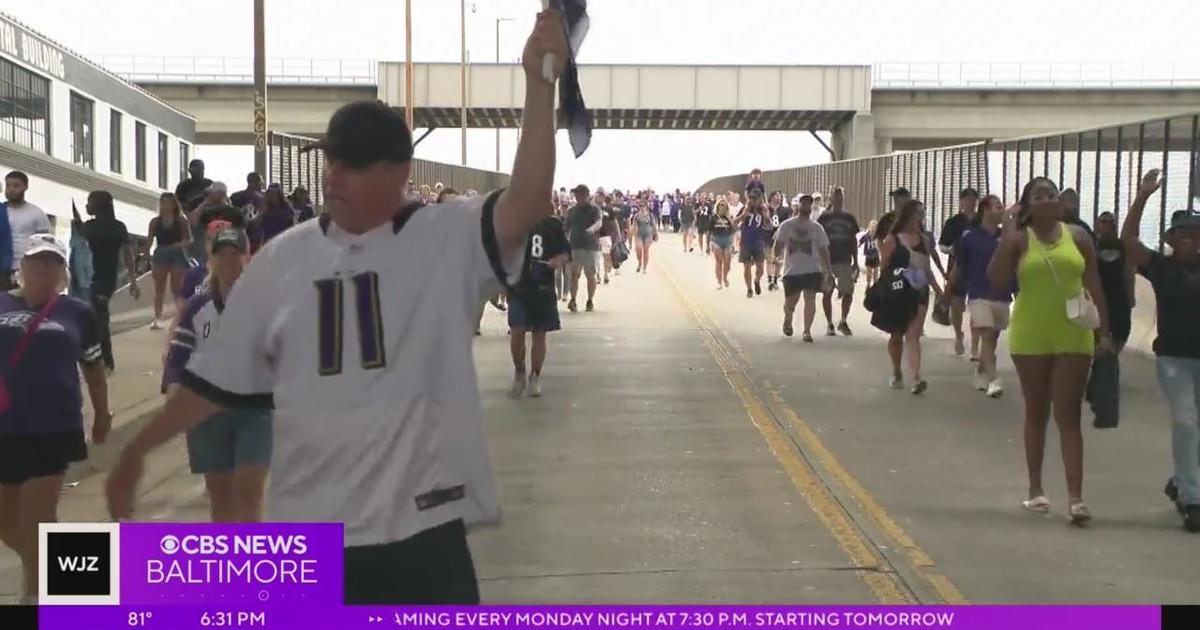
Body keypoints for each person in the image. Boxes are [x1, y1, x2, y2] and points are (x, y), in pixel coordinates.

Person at [106, 11, 569, 604]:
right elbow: (216, 378)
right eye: (332, 160)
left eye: (353, 164)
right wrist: (138, 449)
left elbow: (528, 197)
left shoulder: (447, 238)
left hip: (422, 534)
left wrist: (538, 84)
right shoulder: (281, 261)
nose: (334, 175)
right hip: (313, 534)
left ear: (398, 173)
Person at [988, 176, 1110, 526]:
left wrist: (1105, 333)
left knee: (1068, 414)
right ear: (1027, 205)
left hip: (1073, 332)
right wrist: (1008, 232)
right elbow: (996, 280)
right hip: (1031, 333)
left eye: (1052, 194)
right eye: (1039, 195)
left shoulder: (1079, 237)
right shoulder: (1019, 239)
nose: (1047, 199)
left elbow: (1094, 283)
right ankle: (1036, 489)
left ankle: (1076, 498)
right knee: (1036, 411)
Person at [0, 234, 111, 604]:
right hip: (5, 425)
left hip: (54, 426)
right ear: (23, 267)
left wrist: (102, 414)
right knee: (5, 519)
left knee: (37, 513)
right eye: (37, 262)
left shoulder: (77, 312)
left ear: (63, 272)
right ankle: (60, 576)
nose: (43, 269)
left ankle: (37, 593)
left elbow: (93, 368)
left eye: (52, 263)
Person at [162, 227, 271, 523]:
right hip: (206, 411)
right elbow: (179, 355)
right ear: (212, 259)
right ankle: (227, 561)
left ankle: (250, 561)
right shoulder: (199, 306)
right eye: (221, 254)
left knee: (249, 492)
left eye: (234, 254)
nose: (228, 261)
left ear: (245, 258)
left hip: (255, 410)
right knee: (219, 493)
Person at [1120, 170, 1200, 532]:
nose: (1192, 243)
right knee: (1185, 420)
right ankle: (1193, 497)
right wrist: (1142, 198)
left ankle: (1181, 480)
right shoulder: (1162, 268)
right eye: (1185, 236)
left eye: (1197, 236)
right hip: (1174, 359)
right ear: (1172, 240)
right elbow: (1128, 240)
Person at [879, 201, 944, 395]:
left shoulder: (924, 240)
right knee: (897, 337)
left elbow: (926, 268)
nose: (921, 217)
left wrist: (939, 290)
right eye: (918, 213)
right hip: (898, 292)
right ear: (908, 216)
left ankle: (916, 377)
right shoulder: (892, 240)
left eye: (923, 213)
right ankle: (897, 372)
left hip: (919, 291)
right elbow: (885, 269)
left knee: (913, 336)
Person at [951, 195, 1011, 398]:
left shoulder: (1007, 237)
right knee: (986, 335)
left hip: (1002, 294)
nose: (1002, 210)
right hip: (978, 294)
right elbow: (959, 266)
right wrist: (948, 292)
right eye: (998, 206)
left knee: (992, 339)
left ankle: (981, 371)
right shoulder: (969, 237)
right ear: (985, 210)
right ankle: (994, 380)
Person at [508, 211, 571, 398]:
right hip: (518, 286)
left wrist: (555, 262)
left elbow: (566, 253)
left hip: (542, 286)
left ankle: (535, 375)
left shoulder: (552, 224)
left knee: (539, 332)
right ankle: (519, 370)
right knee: (517, 331)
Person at [78, 191, 141, 372]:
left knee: (99, 320)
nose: (86, 206)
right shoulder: (118, 226)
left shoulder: (89, 227)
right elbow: (129, 255)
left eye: (89, 202)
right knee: (98, 319)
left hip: (94, 278)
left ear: (98, 205)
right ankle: (103, 360)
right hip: (107, 279)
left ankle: (105, 361)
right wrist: (133, 281)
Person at [774, 195, 831, 342]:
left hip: (812, 269)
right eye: (803, 202)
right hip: (791, 270)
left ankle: (807, 331)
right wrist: (776, 255)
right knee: (790, 302)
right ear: (798, 205)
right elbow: (778, 244)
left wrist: (828, 270)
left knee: (810, 300)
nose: (806, 205)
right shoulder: (787, 225)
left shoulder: (817, 228)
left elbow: (824, 249)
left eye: (809, 203)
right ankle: (788, 318)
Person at [940, 188, 982, 358]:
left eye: (973, 200)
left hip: (978, 268)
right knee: (956, 305)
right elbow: (942, 245)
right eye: (967, 200)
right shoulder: (953, 222)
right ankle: (958, 334)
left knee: (977, 306)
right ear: (961, 202)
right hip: (957, 268)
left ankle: (974, 345)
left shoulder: (982, 220)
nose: (970, 203)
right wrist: (955, 250)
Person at [144, 193, 193, 330]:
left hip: (177, 253)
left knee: (177, 288)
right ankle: (157, 318)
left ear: (174, 204)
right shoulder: (155, 222)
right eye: (163, 202)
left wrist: (180, 244)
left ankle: (182, 317)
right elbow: (149, 239)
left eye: (168, 203)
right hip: (161, 252)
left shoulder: (181, 221)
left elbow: (189, 239)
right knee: (159, 287)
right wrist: (146, 253)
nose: (165, 206)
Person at [817, 186, 860, 336]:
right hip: (827, 260)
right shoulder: (824, 217)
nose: (838, 199)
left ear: (843, 198)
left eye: (840, 196)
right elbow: (818, 239)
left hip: (844, 259)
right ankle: (829, 323)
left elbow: (853, 240)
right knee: (827, 291)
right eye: (835, 197)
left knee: (848, 291)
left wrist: (856, 261)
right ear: (831, 198)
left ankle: (843, 320)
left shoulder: (849, 218)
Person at [2, 172, 51, 291]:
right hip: (2, 268)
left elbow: (46, 242)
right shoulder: (1, 210)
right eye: (8, 186)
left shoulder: (36, 213)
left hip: (26, 268)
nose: (11, 189)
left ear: (25, 187)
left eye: (16, 186)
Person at [564, 184, 602, 312]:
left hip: (591, 247)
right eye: (576, 194)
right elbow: (566, 227)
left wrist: (592, 228)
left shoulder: (594, 209)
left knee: (590, 275)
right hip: (574, 245)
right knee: (574, 275)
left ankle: (590, 300)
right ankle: (573, 300)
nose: (577, 197)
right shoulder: (571, 210)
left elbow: (599, 222)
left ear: (586, 195)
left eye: (580, 194)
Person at [735, 189, 770, 298]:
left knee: (760, 267)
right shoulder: (745, 209)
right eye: (752, 198)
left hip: (758, 241)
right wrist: (743, 216)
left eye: (756, 198)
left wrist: (766, 215)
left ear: (760, 199)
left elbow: (769, 226)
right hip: (746, 241)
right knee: (747, 266)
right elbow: (734, 222)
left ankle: (757, 280)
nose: (754, 200)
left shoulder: (763, 209)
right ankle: (749, 289)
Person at [250, 184, 296, 250]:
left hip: (283, 240)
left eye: (274, 193)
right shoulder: (265, 208)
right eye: (270, 193)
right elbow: (257, 224)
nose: (272, 196)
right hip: (268, 241)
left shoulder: (286, 208)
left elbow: (291, 224)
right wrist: (263, 207)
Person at [766, 191, 793, 291]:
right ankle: (769, 280)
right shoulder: (766, 208)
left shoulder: (785, 210)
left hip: (781, 236)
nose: (779, 197)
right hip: (768, 235)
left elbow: (789, 220)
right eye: (777, 195)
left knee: (778, 259)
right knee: (769, 258)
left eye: (780, 196)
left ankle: (775, 280)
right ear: (771, 197)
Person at [709, 199, 735, 289]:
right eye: (720, 205)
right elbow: (709, 231)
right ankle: (719, 282)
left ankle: (725, 277)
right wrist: (709, 243)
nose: (722, 206)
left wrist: (733, 243)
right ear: (718, 206)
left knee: (727, 263)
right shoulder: (713, 218)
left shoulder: (729, 217)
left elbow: (733, 230)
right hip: (717, 240)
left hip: (727, 241)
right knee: (719, 261)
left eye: (724, 205)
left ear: (727, 207)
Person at [630, 200, 658, 274]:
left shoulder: (650, 215)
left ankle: (644, 267)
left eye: (643, 206)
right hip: (639, 234)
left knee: (646, 250)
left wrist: (655, 234)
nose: (642, 207)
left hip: (648, 234)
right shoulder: (636, 215)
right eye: (640, 206)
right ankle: (639, 262)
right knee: (639, 249)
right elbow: (634, 225)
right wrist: (633, 235)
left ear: (646, 206)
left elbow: (654, 225)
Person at [860, 220, 881, 287]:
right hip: (868, 255)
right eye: (871, 227)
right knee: (869, 271)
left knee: (876, 271)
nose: (873, 228)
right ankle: (868, 284)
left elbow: (881, 243)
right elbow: (861, 240)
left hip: (876, 255)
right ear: (869, 227)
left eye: (874, 227)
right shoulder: (867, 235)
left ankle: (875, 283)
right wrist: (859, 244)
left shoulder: (878, 236)